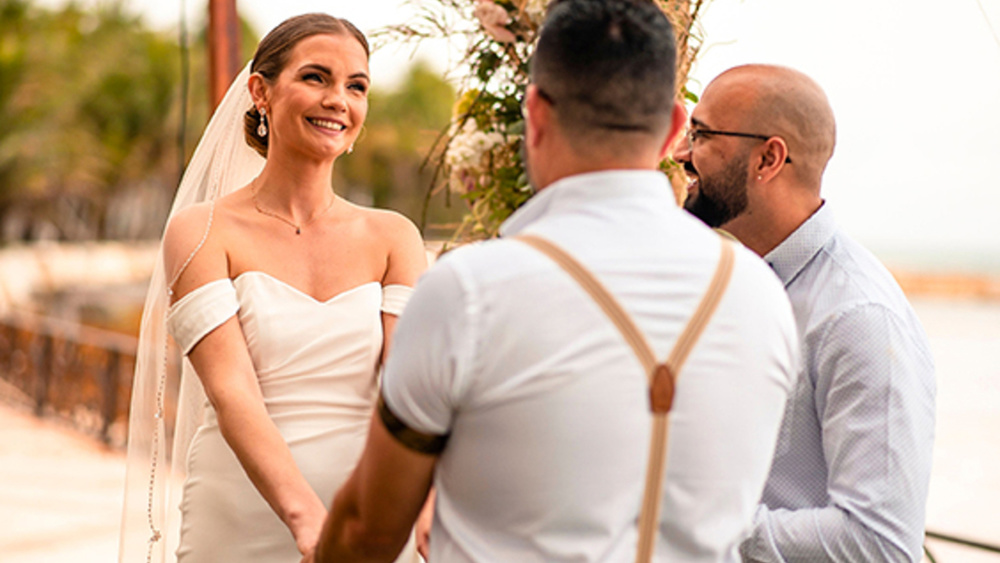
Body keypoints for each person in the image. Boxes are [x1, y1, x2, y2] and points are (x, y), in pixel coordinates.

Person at [306, 2, 799, 562]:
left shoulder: (469, 293)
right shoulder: (760, 295)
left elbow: (368, 530)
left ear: (535, 113)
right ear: (673, 128)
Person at [117, 13, 426, 563]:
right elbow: (231, 390)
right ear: (261, 91)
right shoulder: (201, 230)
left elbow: (406, 391)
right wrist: (308, 522)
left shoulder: (394, 237)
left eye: (356, 86)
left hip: (369, 518)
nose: (338, 100)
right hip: (241, 516)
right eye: (315, 77)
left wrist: (414, 510)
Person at [673, 64, 936, 562]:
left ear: (768, 159)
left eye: (701, 135)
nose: (681, 153)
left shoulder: (859, 317)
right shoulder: (732, 281)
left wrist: (697, 524)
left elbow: (880, 543)